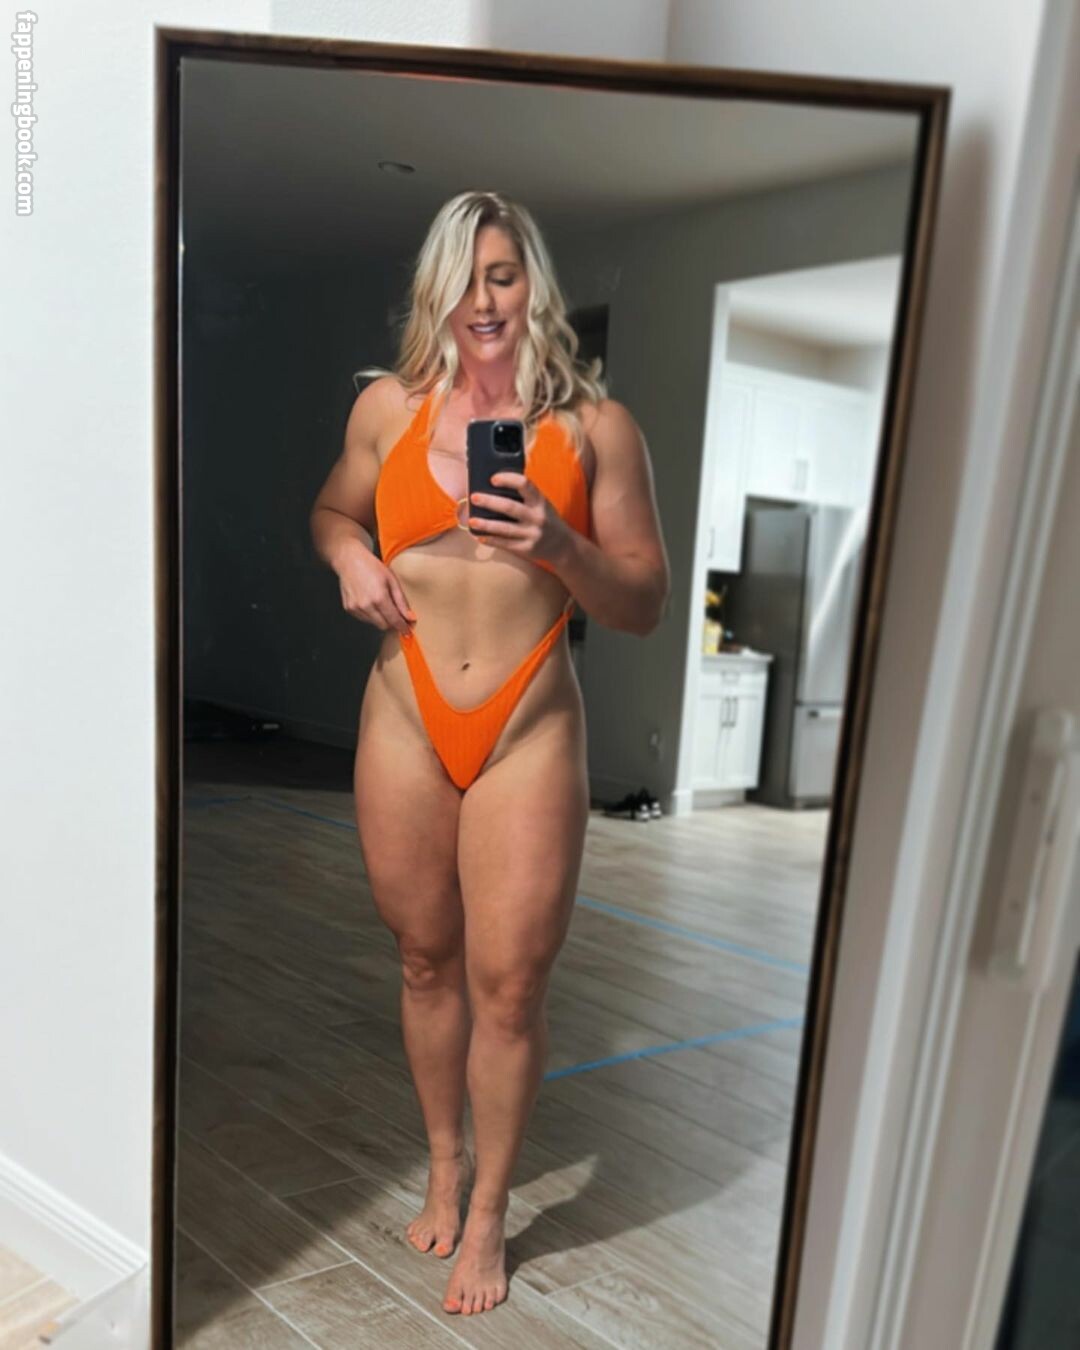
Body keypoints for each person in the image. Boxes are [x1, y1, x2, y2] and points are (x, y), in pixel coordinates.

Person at [310, 190, 669, 1317]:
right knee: (425, 960)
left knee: (509, 988)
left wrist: (561, 543)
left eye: (502, 275)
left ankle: (491, 1212)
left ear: (532, 287)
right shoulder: (387, 408)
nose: (483, 299)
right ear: (437, 291)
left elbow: (644, 601)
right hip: (405, 712)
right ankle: (444, 1161)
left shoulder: (597, 428)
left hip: (528, 725)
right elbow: (332, 513)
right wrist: (349, 558)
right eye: (464, 277)